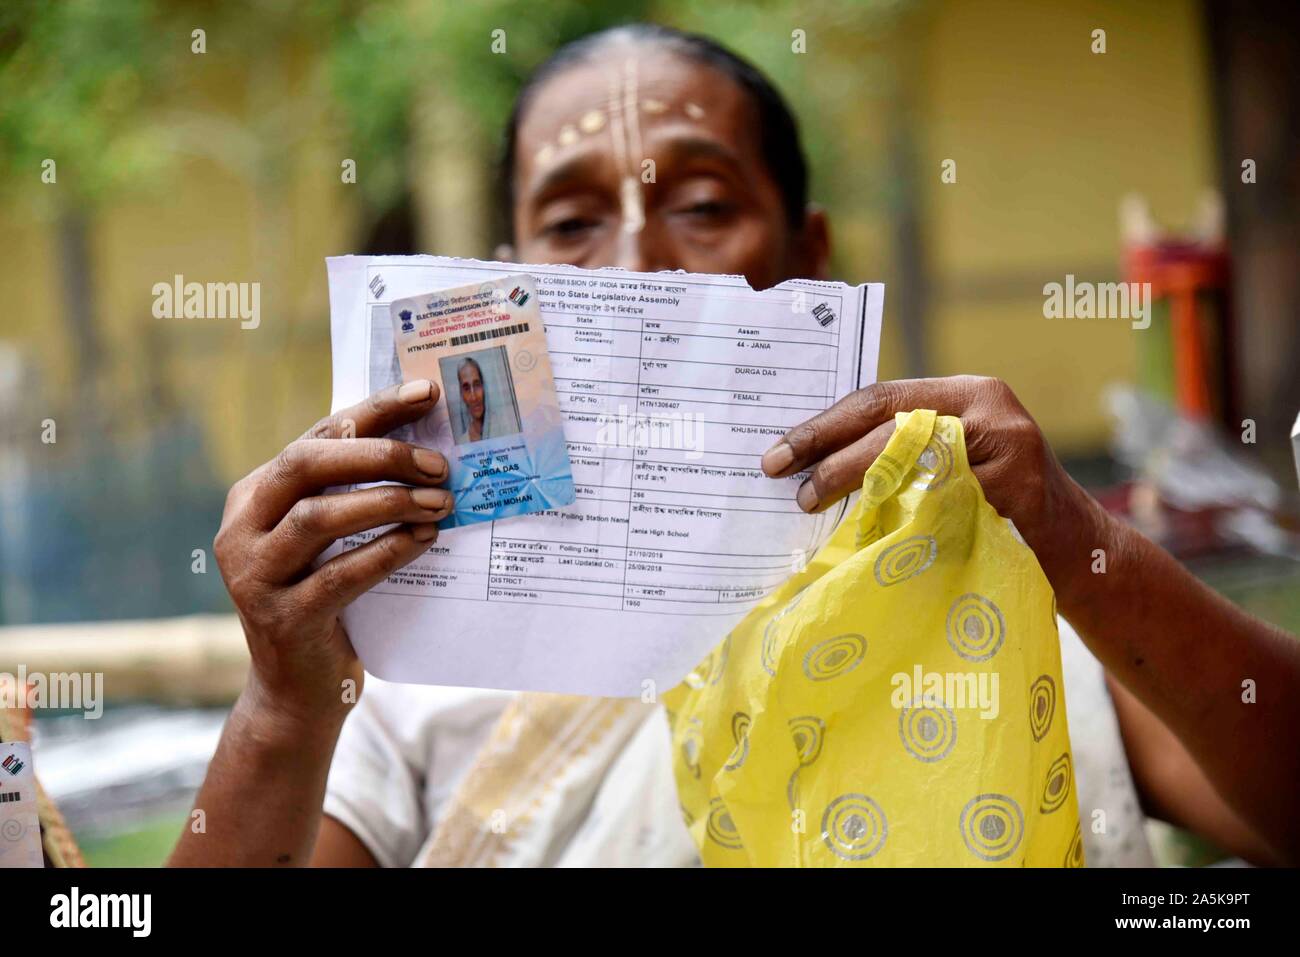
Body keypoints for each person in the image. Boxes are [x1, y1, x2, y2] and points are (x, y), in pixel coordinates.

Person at [169, 24, 1300, 867]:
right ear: (505, 275)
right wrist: (282, 704)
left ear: (806, 255)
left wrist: (1068, 535)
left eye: (703, 207)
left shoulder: (977, 568)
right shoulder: (414, 649)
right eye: (569, 224)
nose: (634, 264)